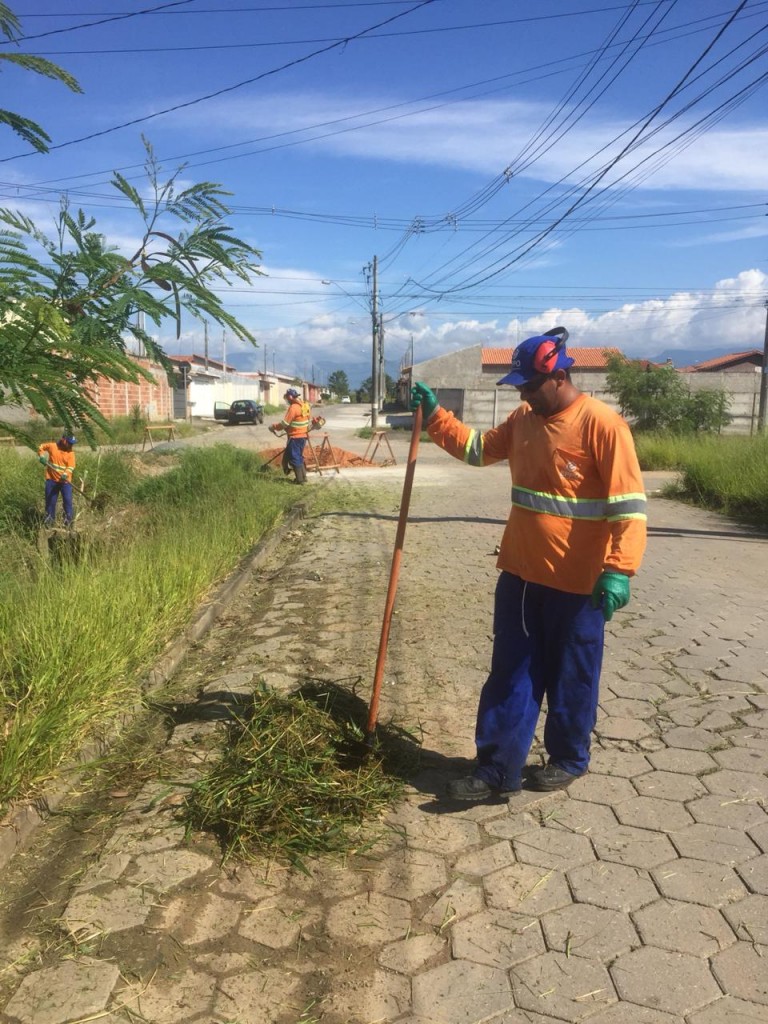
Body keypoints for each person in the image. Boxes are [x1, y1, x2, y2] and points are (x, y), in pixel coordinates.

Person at [410, 327, 647, 803]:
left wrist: (619, 569)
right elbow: (477, 451)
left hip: (580, 587)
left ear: (558, 375)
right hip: (520, 576)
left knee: (573, 675)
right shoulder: (523, 420)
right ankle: (497, 769)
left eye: (529, 385)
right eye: (518, 386)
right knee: (511, 672)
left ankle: (568, 759)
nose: (522, 393)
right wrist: (437, 417)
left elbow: (629, 508)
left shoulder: (604, 426)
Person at [270, 388, 310, 484]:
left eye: (287, 398)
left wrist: (274, 427)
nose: (287, 400)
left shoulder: (293, 407)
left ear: (290, 397)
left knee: (295, 457)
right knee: (298, 456)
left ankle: (300, 480)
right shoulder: (305, 405)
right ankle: (303, 477)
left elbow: (284, 423)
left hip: (295, 437)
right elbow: (305, 420)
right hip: (303, 436)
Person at [38, 434, 77, 527]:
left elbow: (71, 466)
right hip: (51, 480)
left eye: (72, 444)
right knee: (50, 501)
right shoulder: (52, 446)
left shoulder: (71, 453)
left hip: (65, 482)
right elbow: (41, 447)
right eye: (70, 443)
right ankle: (49, 523)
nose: (71, 446)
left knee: (68, 501)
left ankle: (68, 523)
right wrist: (41, 456)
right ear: (63, 440)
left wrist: (65, 474)